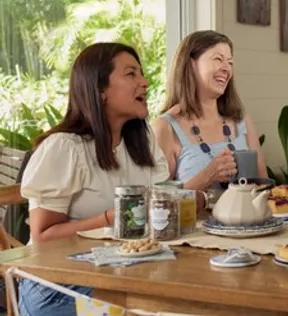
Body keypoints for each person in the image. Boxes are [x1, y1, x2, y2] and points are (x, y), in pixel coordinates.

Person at [19, 43, 170, 316]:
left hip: (121, 273)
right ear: (100, 90)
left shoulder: (142, 140)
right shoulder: (65, 147)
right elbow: (42, 237)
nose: (145, 82)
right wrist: (111, 218)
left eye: (142, 73)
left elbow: (158, 205)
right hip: (57, 285)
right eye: (131, 74)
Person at [152, 31, 267, 197]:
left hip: (248, 222)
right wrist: (207, 177)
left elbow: (266, 189)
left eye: (230, 62)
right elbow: (160, 203)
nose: (226, 68)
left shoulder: (242, 122)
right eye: (218, 59)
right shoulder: (165, 128)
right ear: (191, 64)